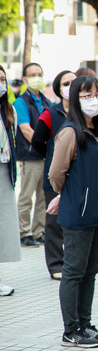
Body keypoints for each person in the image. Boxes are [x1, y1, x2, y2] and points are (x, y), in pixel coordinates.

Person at [47, 76, 98, 348]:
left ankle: (85, 324)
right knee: (74, 272)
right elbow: (56, 173)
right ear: (75, 98)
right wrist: (70, 195)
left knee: (90, 272)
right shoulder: (70, 132)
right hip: (79, 214)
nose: (94, 99)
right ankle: (70, 330)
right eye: (87, 95)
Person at [31, 70, 76, 280]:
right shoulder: (51, 113)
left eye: (74, 82)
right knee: (54, 222)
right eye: (66, 83)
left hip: (79, 178)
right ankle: (56, 264)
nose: (70, 86)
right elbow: (37, 141)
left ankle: (73, 261)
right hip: (55, 177)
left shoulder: (85, 113)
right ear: (58, 89)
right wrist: (50, 159)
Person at [13, 62, 51, 247]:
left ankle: (39, 230)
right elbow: (26, 130)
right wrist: (43, 146)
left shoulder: (46, 101)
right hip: (31, 155)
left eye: (40, 73)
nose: (37, 77)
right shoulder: (21, 102)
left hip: (46, 156)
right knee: (26, 196)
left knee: (44, 196)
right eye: (33, 74)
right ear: (26, 79)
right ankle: (24, 232)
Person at [0, 64, 20, 296]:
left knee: (3, 226)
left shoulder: (8, 110)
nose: (2, 83)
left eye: (3, 79)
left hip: (5, 171)